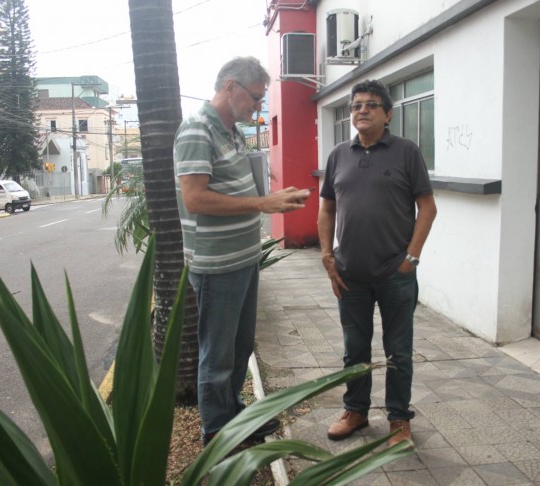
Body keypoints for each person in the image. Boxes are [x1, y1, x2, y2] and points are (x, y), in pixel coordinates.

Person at [174, 56, 312, 446]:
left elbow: (236, 187)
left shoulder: (231, 131)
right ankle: (217, 435)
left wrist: (273, 197)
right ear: (231, 86)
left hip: (243, 258)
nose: (258, 106)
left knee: (239, 347)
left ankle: (233, 416)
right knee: (217, 354)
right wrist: (263, 204)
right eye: (255, 97)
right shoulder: (197, 129)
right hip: (217, 264)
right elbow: (195, 198)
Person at [317, 79, 437, 447]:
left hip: (394, 274)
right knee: (354, 348)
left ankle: (399, 419)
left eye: (371, 105)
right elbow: (327, 209)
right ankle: (355, 411)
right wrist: (327, 256)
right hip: (349, 273)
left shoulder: (406, 152)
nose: (362, 111)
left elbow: (428, 208)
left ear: (388, 114)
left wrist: (411, 257)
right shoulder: (338, 155)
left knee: (398, 351)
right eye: (356, 106)